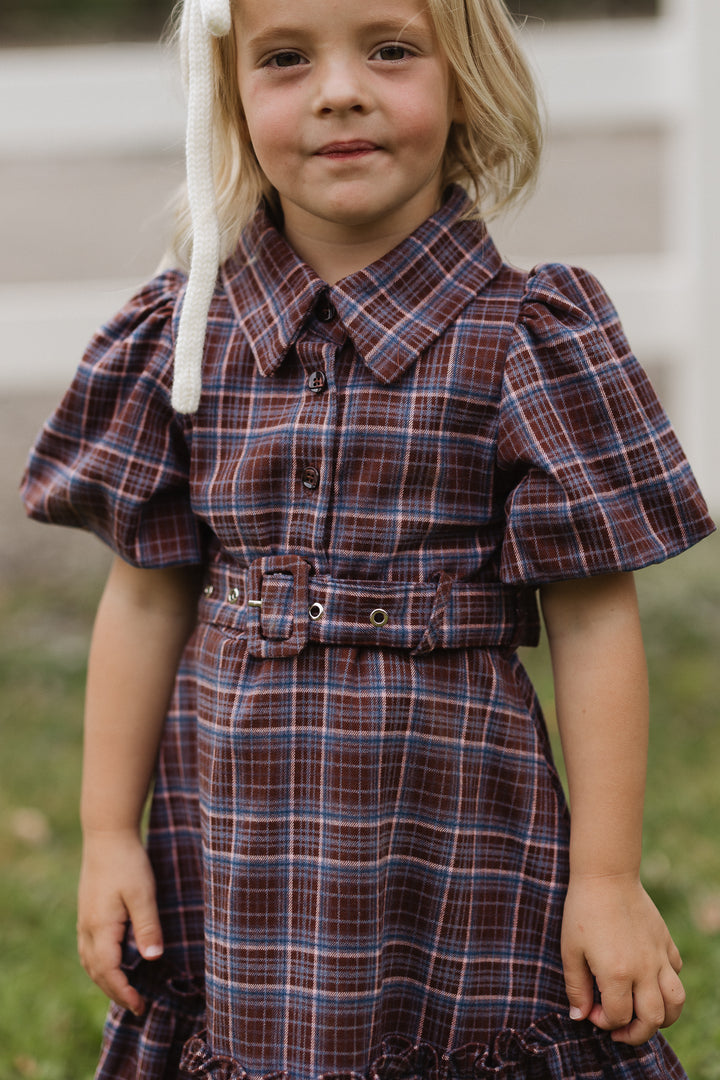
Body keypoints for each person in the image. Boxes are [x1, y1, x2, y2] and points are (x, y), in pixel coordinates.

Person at [20, 0, 715, 1076]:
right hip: (237, 839)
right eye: (285, 59)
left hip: (454, 833)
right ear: (232, 99)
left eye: (390, 50)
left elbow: (591, 620)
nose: (340, 89)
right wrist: (109, 836)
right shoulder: (182, 337)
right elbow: (147, 594)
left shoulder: (528, 336)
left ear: (466, 79)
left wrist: (608, 879)